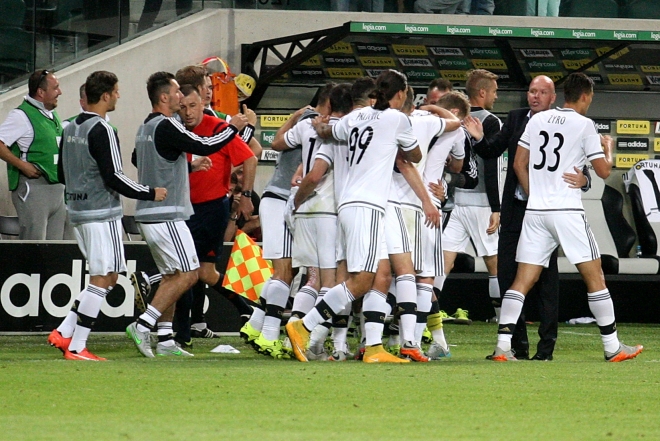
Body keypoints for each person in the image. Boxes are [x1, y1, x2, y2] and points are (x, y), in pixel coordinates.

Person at [491, 72, 643, 363]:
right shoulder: (585, 125)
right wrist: (607, 147)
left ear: (562, 95)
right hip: (566, 212)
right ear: (586, 96)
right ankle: (612, 347)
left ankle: (502, 346)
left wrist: (535, 194)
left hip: (536, 212)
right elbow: (602, 170)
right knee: (594, 275)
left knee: (523, 280)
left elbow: (519, 164)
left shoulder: (537, 120)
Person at [286, 70, 423, 363]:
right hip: (369, 205)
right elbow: (415, 156)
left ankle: (373, 348)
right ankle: (304, 326)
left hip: (348, 204)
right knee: (361, 281)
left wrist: (320, 126)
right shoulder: (397, 119)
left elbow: (328, 132)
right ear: (400, 94)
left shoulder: (352, 119)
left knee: (378, 275)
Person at [125, 71, 248, 358]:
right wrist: (234, 127)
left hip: (152, 214)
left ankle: (167, 340)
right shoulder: (167, 125)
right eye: (177, 92)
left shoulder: (147, 126)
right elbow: (204, 145)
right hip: (166, 215)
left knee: (171, 276)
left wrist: (185, 168)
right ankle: (144, 325)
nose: (182, 98)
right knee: (190, 274)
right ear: (164, 96)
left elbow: (141, 158)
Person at [467, 75, 590, 360]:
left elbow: (584, 171)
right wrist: (478, 139)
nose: (535, 96)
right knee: (509, 276)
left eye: (542, 92)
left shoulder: (570, 125)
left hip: (546, 213)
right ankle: (516, 345)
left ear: (552, 98)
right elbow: (491, 150)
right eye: (532, 91)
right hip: (516, 211)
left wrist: (585, 182)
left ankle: (545, 349)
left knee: (546, 281)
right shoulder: (516, 118)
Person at [48, 71, 166, 361]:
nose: (118, 96)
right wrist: (150, 192)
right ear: (105, 96)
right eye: (116, 91)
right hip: (101, 213)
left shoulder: (69, 127)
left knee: (108, 275)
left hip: (77, 211)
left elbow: (61, 173)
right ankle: (77, 346)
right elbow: (114, 176)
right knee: (103, 278)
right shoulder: (102, 129)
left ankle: (64, 331)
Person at [239, 85, 332, 359]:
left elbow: (276, 143)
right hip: (283, 199)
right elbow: (278, 146)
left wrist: (292, 116)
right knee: (284, 271)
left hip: (286, 200)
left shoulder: (305, 119)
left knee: (288, 271)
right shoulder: (314, 122)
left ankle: (255, 324)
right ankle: (269, 336)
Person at [171, 84, 257, 348]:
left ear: (202, 104)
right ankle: (249, 310)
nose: (188, 113)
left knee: (185, 269)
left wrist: (246, 196)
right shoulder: (174, 129)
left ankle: (180, 335)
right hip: (186, 207)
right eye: (183, 107)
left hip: (211, 209)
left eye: (193, 106)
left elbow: (251, 158)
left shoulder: (217, 128)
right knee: (205, 272)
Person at [439, 69, 502, 323]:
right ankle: (502, 320)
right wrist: (496, 207)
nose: (496, 97)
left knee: (443, 263)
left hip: (453, 201)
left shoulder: (451, 118)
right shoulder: (490, 120)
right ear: (483, 92)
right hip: (481, 202)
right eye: (495, 92)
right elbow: (491, 165)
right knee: (496, 264)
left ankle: (424, 319)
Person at [0, 69, 71, 240]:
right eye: (55, 88)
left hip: (56, 189)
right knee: (34, 245)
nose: (59, 92)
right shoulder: (21, 116)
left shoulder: (51, 114)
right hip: (34, 188)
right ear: (41, 92)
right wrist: (22, 165)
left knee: (55, 248)